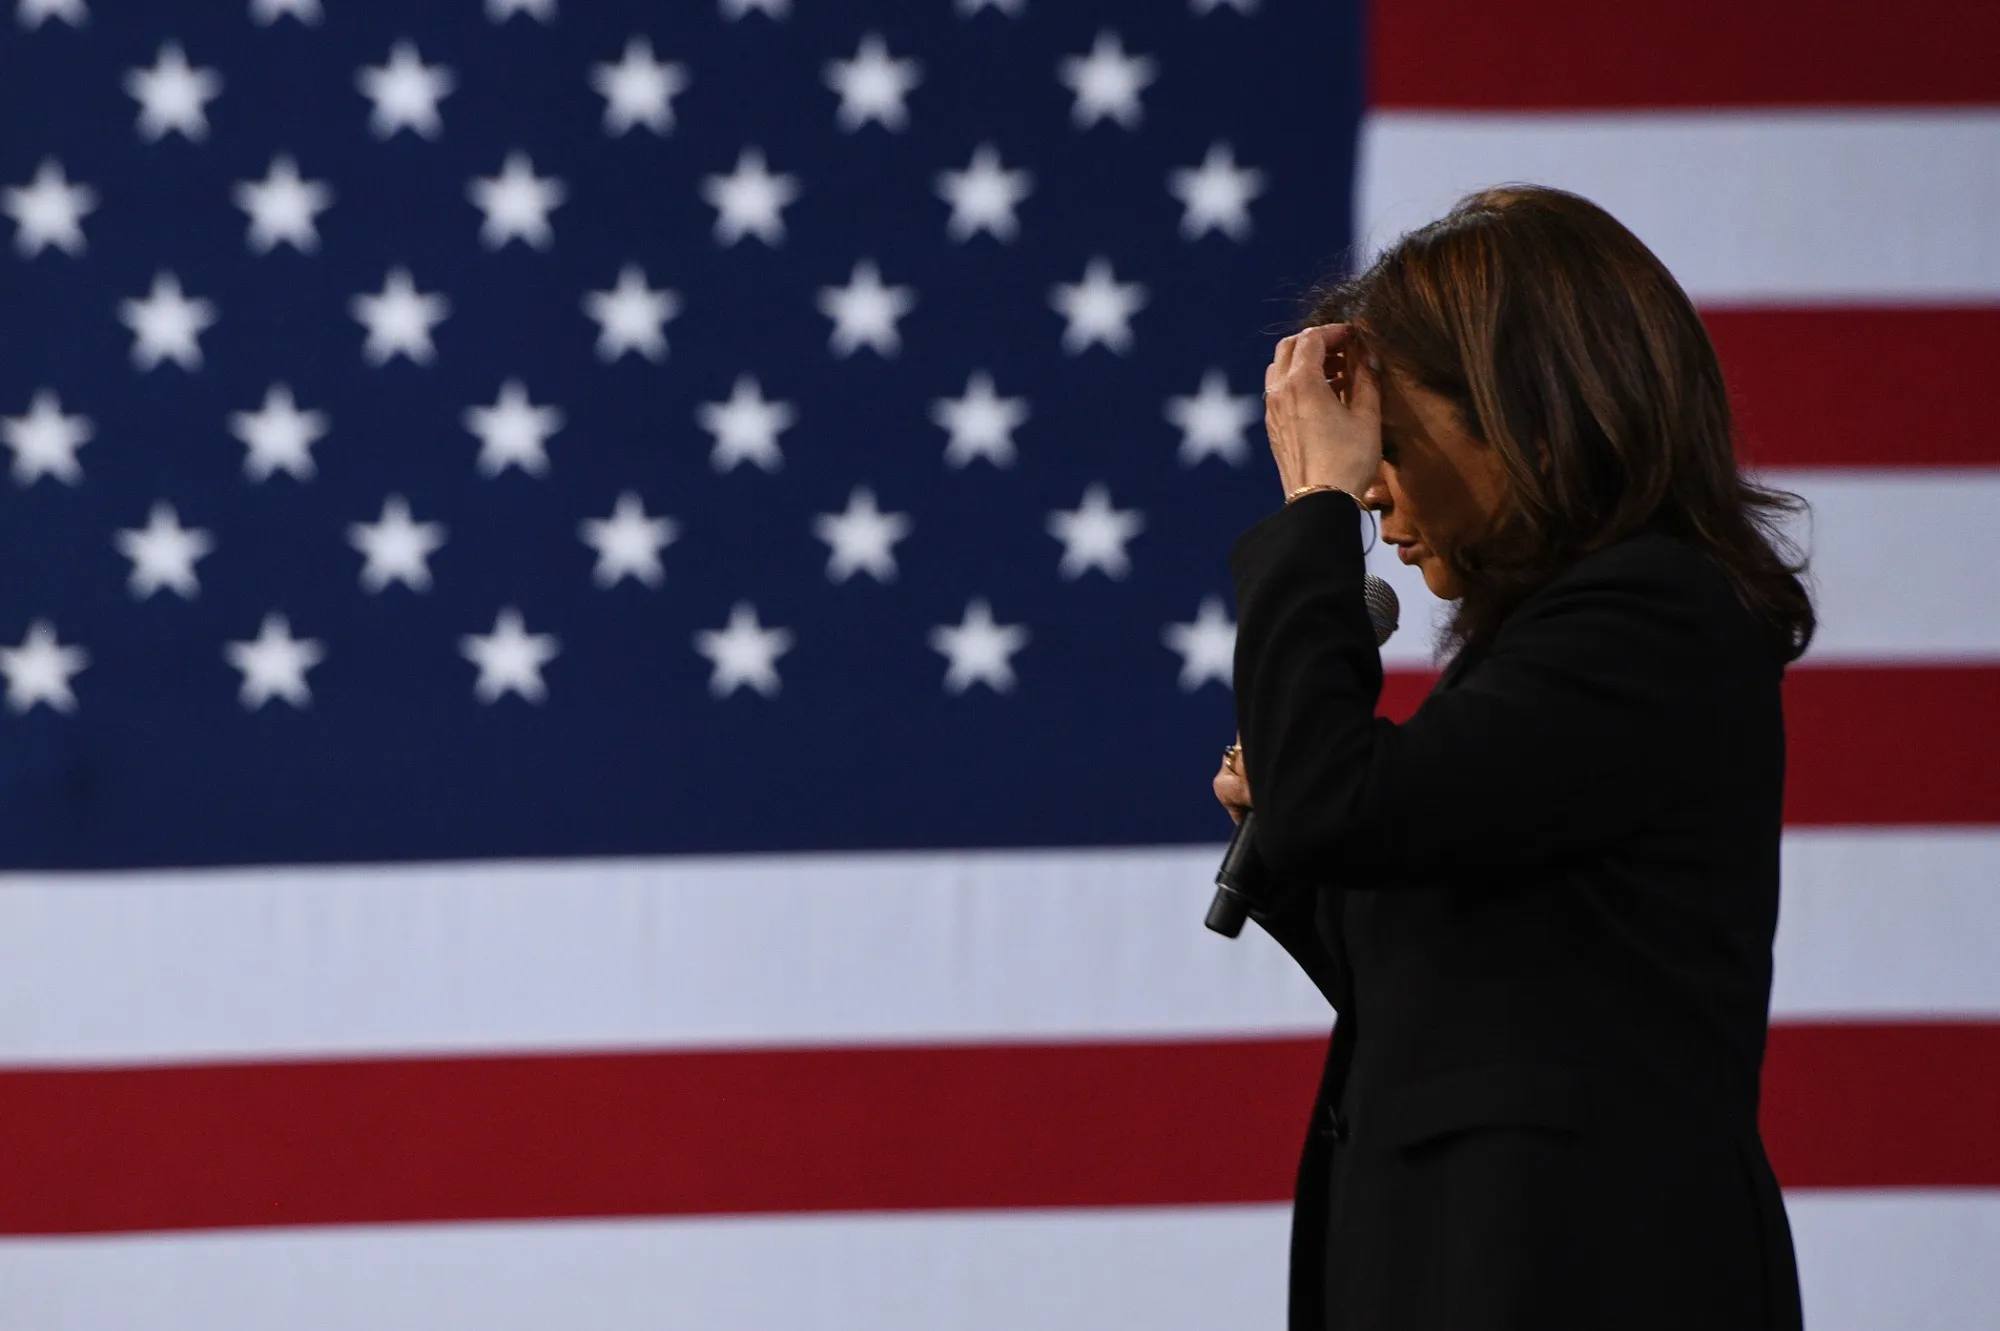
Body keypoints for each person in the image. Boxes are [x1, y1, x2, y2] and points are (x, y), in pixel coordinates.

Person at [1211, 185, 1813, 1331]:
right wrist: (1291, 822)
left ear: (1526, 410)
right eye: (1358, 462)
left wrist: (1313, 513)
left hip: (1579, 1274)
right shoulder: (1559, 649)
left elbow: (1342, 811)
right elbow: (1461, 994)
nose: (1374, 489)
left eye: (1386, 444)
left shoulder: (1647, 616)